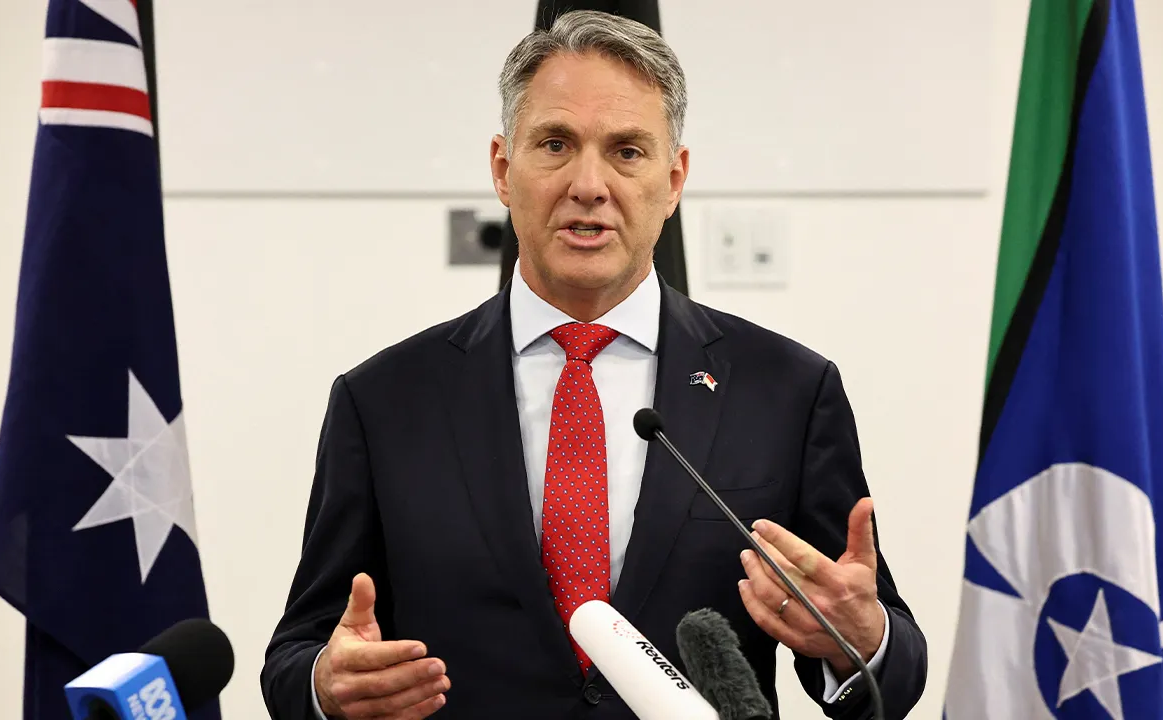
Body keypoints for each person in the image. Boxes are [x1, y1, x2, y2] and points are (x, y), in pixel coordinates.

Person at [260, 10, 926, 719]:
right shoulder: (385, 400)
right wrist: (327, 688)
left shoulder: (787, 391)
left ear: (674, 180)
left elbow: (893, 670)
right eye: (555, 143)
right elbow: (299, 653)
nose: (589, 184)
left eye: (628, 151)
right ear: (502, 168)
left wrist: (863, 638)